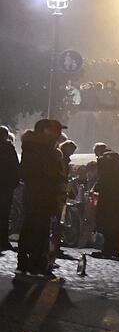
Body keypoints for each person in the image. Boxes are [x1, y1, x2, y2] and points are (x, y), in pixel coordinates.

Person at [16, 119, 65, 279]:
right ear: (46, 131)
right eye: (56, 131)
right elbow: (34, 172)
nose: (59, 135)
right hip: (41, 193)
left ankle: (27, 262)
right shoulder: (41, 150)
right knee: (38, 227)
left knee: (32, 226)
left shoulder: (35, 148)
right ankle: (34, 263)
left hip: (38, 193)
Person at [91, 143, 119, 261]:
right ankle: (117, 250)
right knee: (117, 225)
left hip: (108, 197)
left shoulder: (103, 160)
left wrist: (95, 189)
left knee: (107, 224)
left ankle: (108, 249)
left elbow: (102, 178)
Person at [0, 126, 20, 253]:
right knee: (4, 214)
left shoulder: (8, 148)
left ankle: (3, 239)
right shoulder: (9, 148)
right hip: (7, 185)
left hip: (6, 185)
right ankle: (3, 239)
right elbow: (15, 166)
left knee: (5, 214)